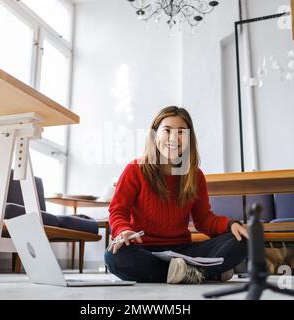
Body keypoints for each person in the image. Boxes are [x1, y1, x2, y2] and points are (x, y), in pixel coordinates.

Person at [104, 106, 248, 284]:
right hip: (144, 250)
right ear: (155, 135)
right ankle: (203, 273)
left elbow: (203, 219)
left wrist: (230, 225)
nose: (173, 138)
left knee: (241, 241)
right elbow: (118, 210)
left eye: (181, 132)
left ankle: (185, 272)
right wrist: (124, 230)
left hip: (183, 252)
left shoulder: (195, 176)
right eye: (167, 130)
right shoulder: (135, 169)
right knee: (114, 256)